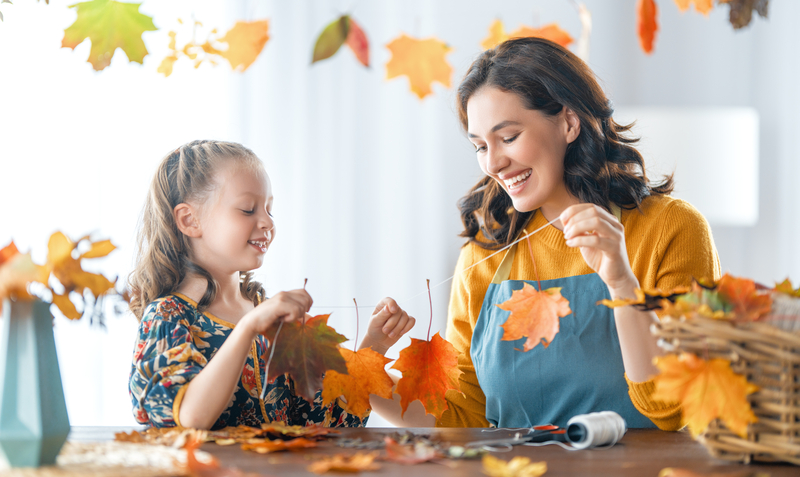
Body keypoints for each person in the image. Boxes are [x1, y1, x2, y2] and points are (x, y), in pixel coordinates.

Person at [371, 37, 720, 429]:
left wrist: (622, 284)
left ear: (569, 122)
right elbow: (460, 414)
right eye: (480, 146)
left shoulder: (671, 229)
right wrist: (368, 372)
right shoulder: (486, 252)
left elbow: (672, 410)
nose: (494, 163)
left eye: (508, 137)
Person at [127, 140, 415, 430]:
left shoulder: (274, 322)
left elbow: (332, 424)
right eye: (248, 209)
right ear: (189, 220)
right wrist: (248, 328)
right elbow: (190, 417)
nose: (267, 222)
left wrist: (374, 347)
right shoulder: (169, 318)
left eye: (269, 209)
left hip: (274, 476)